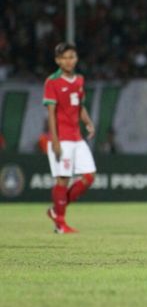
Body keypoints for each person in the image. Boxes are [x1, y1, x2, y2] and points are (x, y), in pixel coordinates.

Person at [43, 42, 97, 234]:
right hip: (62, 139)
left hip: (77, 137)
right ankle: (60, 223)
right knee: (63, 179)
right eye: (64, 57)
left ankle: (55, 210)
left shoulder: (79, 80)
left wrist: (88, 122)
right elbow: (50, 113)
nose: (68, 61)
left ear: (76, 58)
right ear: (57, 60)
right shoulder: (52, 82)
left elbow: (79, 106)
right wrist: (55, 141)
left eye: (71, 57)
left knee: (90, 176)